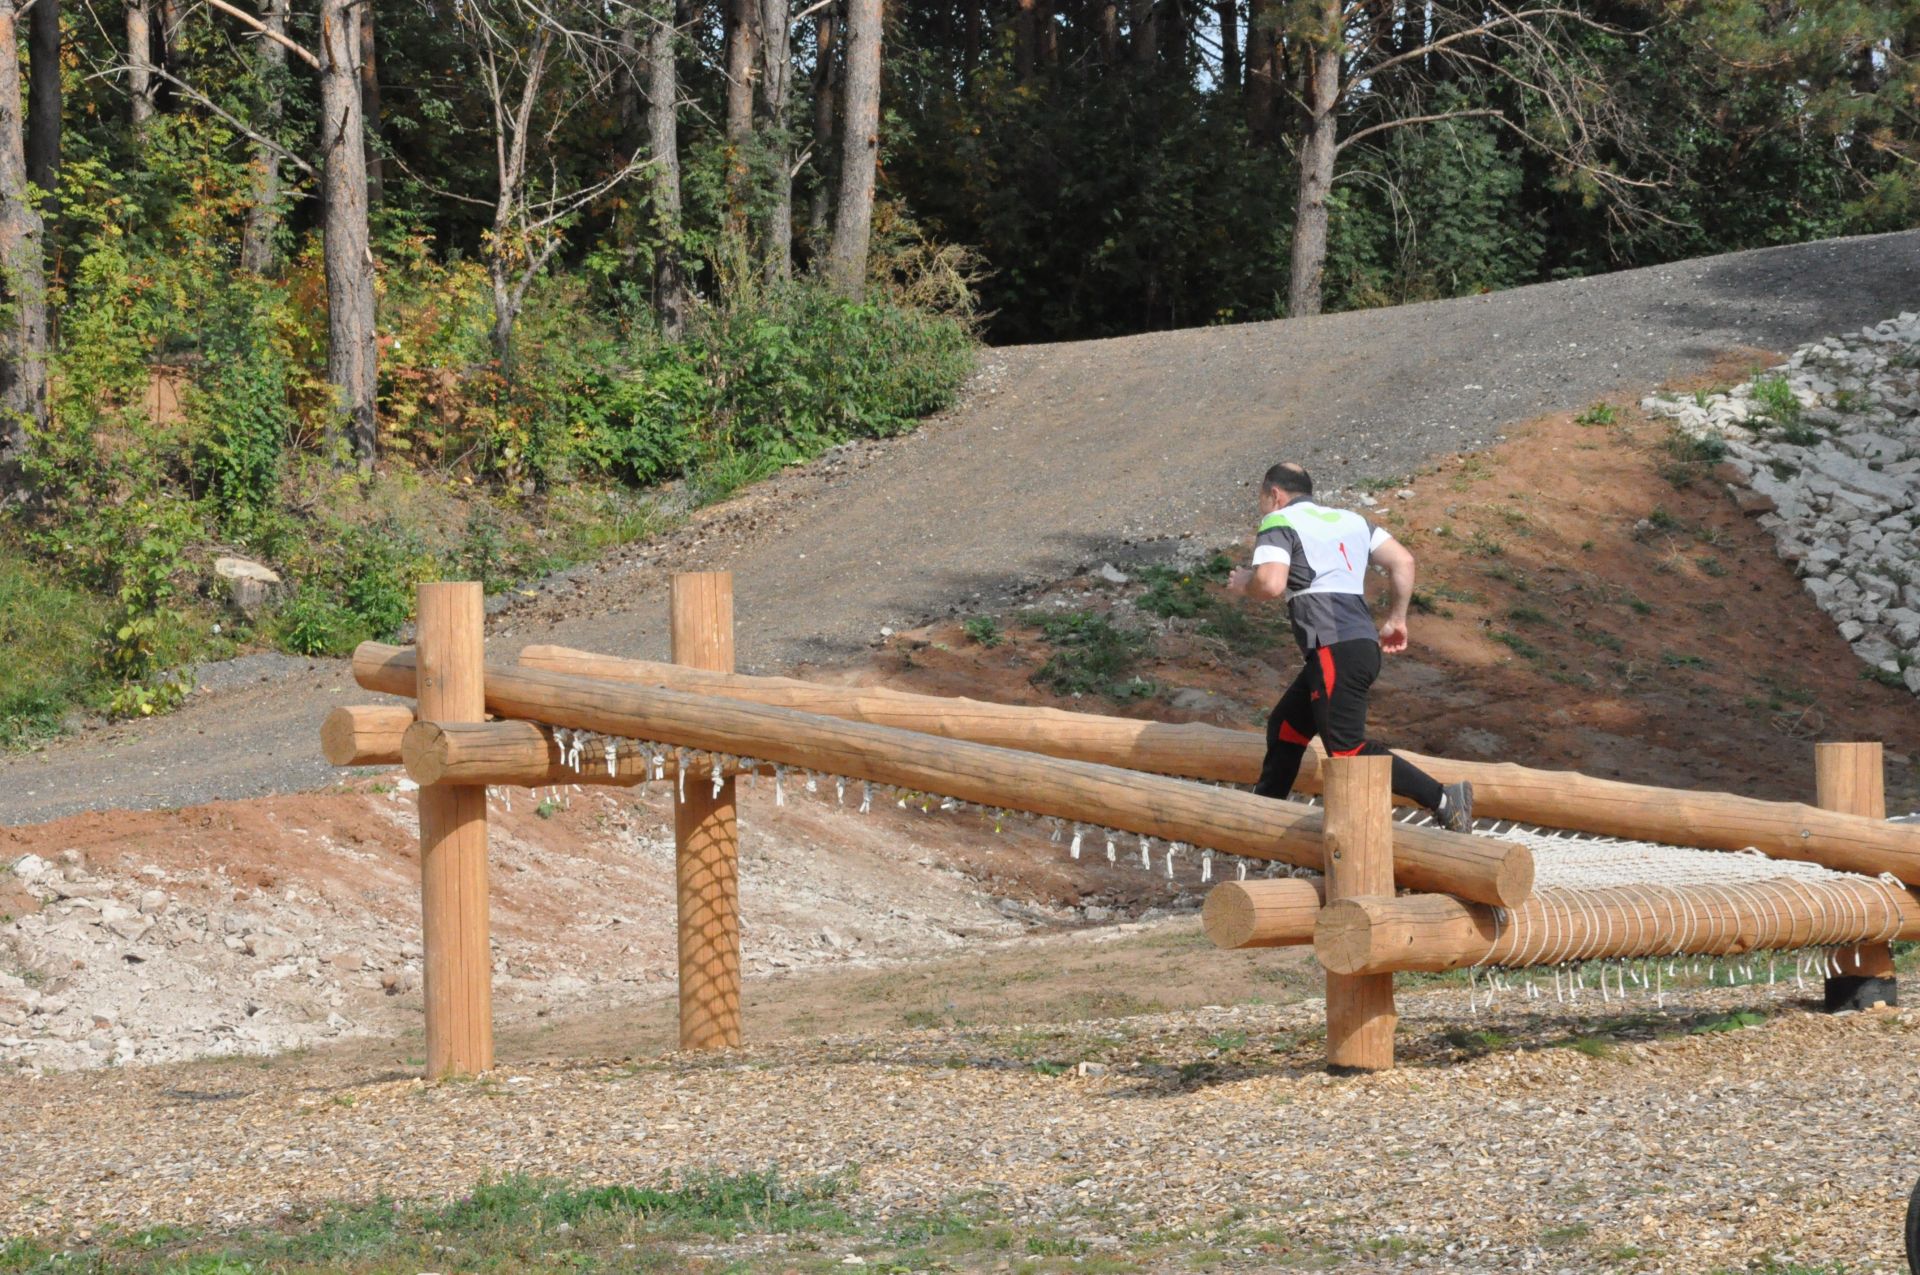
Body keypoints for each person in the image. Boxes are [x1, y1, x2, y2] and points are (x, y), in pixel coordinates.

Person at [1226, 461, 1473, 833]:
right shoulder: (1353, 521)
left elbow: (1272, 584)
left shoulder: (1278, 522)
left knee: (1346, 750)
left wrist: (1246, 583)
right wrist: (1398, 618)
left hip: (1333, 649)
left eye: (1262, 500)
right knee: (1287, 726)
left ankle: (1443, 798)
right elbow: (1403, 560)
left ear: (1274, 494)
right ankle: (1260, 820)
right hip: (1353, 648)